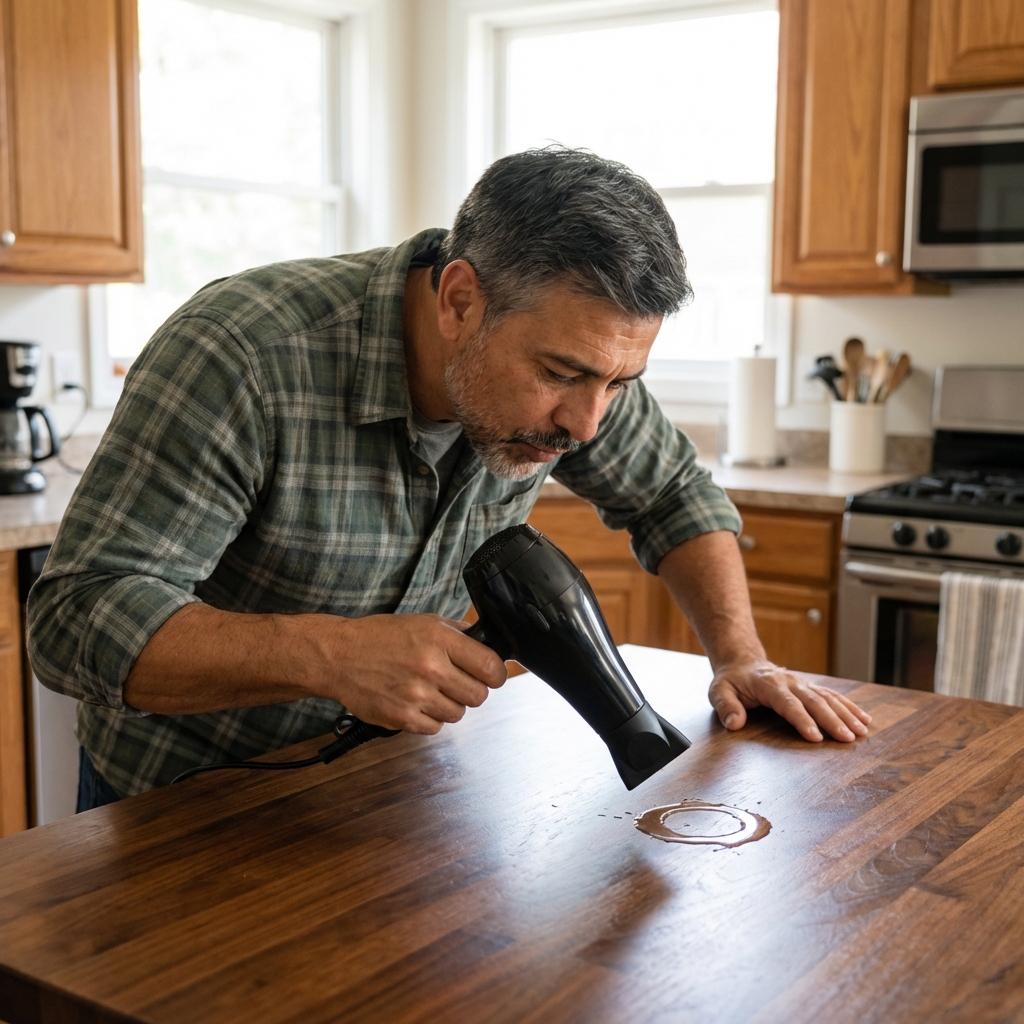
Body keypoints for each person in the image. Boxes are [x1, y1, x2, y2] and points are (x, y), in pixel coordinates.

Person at [27, 148, 870, 809]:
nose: (587, 425)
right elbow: (74, 620)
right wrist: (324, 654)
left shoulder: (576, 379)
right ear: (459, 299)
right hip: (185, 806)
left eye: (619, 383)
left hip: (386, 791)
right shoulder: (243, 355)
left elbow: (674, 494)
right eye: (562, 372)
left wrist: (741, 655)